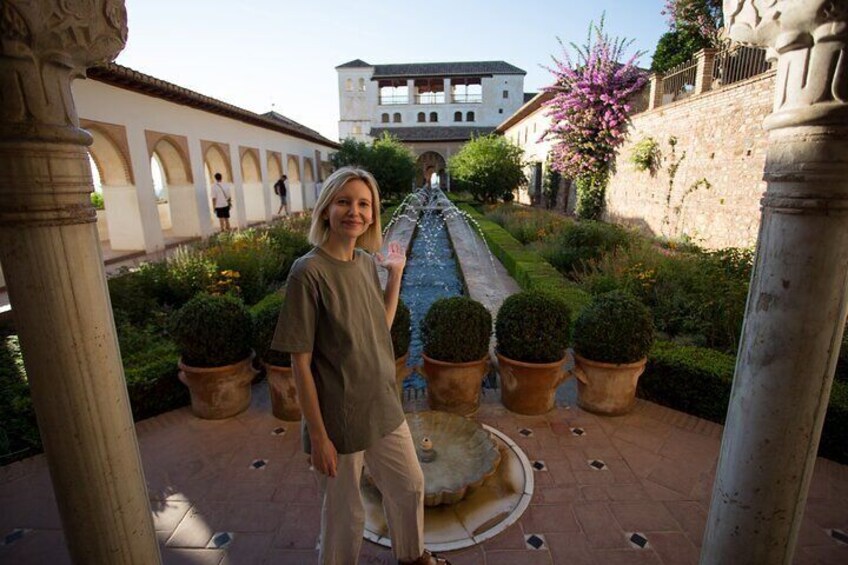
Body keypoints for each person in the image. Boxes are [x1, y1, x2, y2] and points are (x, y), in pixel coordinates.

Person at [270, 167, 449, 565]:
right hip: (338, 417)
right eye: (344, 202)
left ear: (373, 214)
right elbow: (299, 363)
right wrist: (318, 436)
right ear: (326, 210)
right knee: (344, 514)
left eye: (364, 204)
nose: (355, 211)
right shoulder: (308, 272)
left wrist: (395, 276)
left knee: (409, 486)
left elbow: (379, 328)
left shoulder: (367, 262)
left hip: (382, 404)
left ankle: (411, 556)